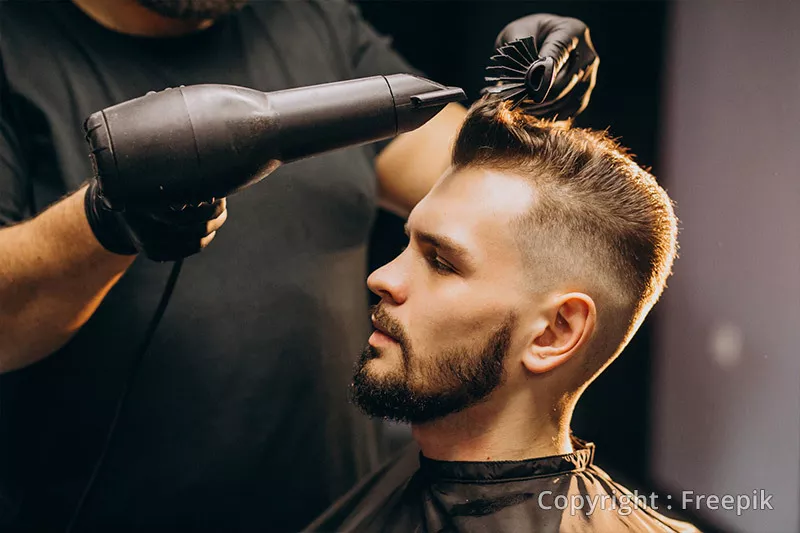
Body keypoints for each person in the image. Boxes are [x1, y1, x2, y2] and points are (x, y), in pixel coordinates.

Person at [0, 0, 598, 531]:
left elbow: (462, 175)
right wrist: (103, 219)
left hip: (343, 509)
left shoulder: (311, 16)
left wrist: (520, 110)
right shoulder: (15, 50)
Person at [306, 99, 701, 532]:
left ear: (554, 333)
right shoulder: (416, 470)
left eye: (442, 263)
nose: (382, 278)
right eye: (408, 246)